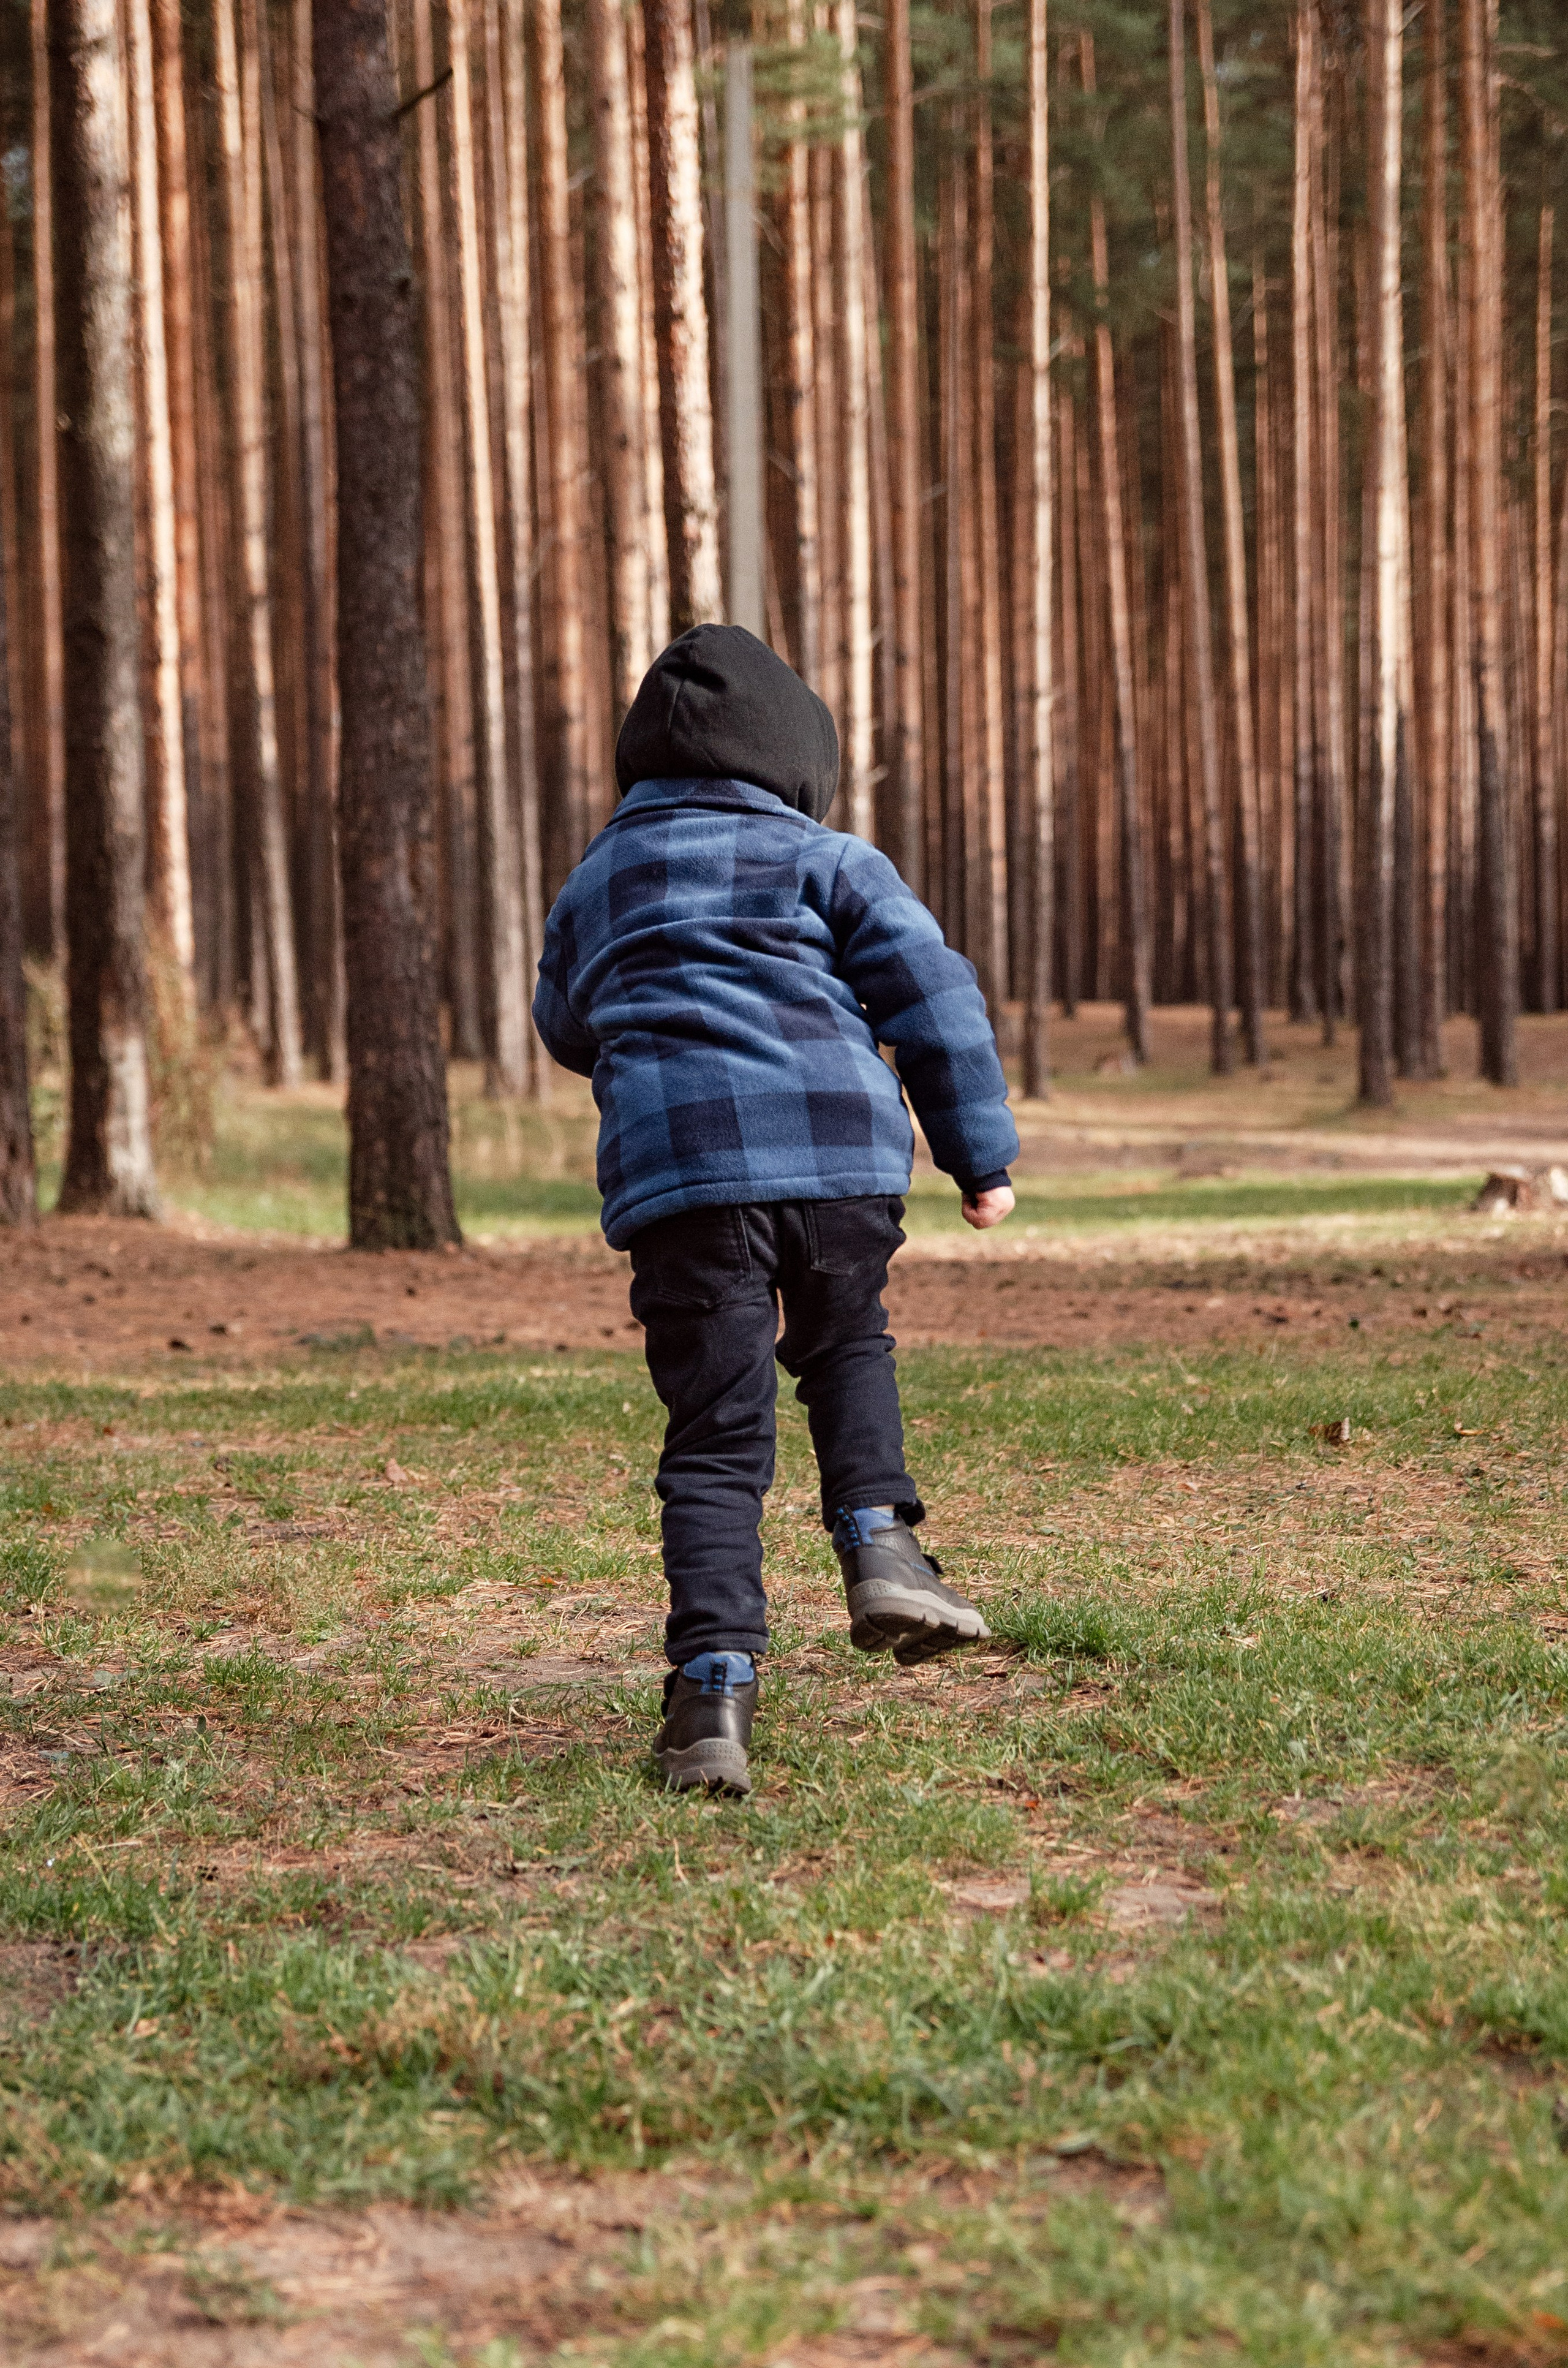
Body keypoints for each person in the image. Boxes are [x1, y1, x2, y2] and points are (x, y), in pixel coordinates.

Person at [533, 625, 1018, 1796]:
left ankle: (711, 1692)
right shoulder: (833, 858)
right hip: (843, 1158)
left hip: (685, 1180)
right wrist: (979, 1158)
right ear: (799, 760)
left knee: (714, 1431)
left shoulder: (599, 877)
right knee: (848, 1341)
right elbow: (932, 999)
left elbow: (561, 1023)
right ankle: (880, 1546)